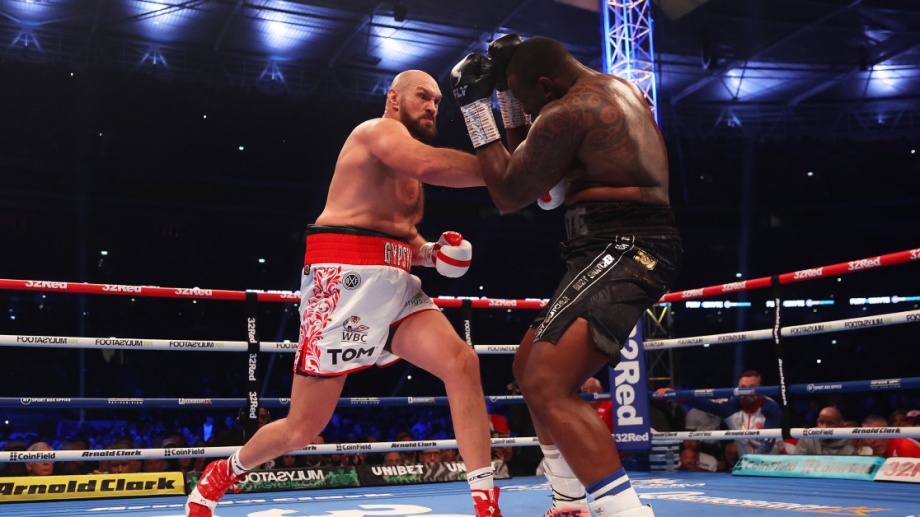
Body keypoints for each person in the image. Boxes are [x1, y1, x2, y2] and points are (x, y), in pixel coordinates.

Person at [186, 69, 502, 517]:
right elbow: (431, 165)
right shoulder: (377, 132)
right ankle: (223, 472)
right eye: (423, 96)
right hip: (341, 280)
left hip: (395, 283)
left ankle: (485, 503)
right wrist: (507, 172)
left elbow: (402, 236)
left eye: (437, 101)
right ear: (394, 98)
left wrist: (433, 253)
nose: (433, 106)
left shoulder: (408, 166)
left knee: (462, 362)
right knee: (302, 428)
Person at [451, 35, 682, 517]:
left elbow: (509, 193)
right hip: (605, 245)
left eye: (528, 102)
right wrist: (508, 99)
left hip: (625, 246)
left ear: (546, 84)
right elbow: (529, 160)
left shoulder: (566, 112)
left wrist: (475, 111)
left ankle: (626, 513)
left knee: (547, 380)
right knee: (527, 368)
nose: (531, 114)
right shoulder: (610, 87)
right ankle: (569, 501)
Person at [656, 370, 781, 456]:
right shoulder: (731, 406)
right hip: (746, 466)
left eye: (752, 387)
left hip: (771, 464)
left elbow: (767, 443)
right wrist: (674, 394)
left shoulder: (770, 407)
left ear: (760, 388)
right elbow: (703, 403)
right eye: (743, 388)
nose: (747, 391)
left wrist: (754, 464)